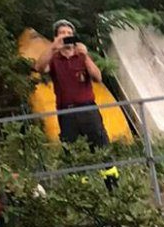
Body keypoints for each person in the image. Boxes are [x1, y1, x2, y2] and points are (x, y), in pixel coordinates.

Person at [35, 21, 119, 190]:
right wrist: (53, 47)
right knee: (72, 152)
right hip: (66, 112)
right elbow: (39, 67)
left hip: (88, 109)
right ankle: (81, 192)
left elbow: (98, 77)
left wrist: (86, 56)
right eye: (62, 33)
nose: (66, 36)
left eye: (69, 33)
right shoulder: (54, 58)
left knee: (101, 146)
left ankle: (112, 187)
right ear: (56, 36)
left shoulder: (81, 56)